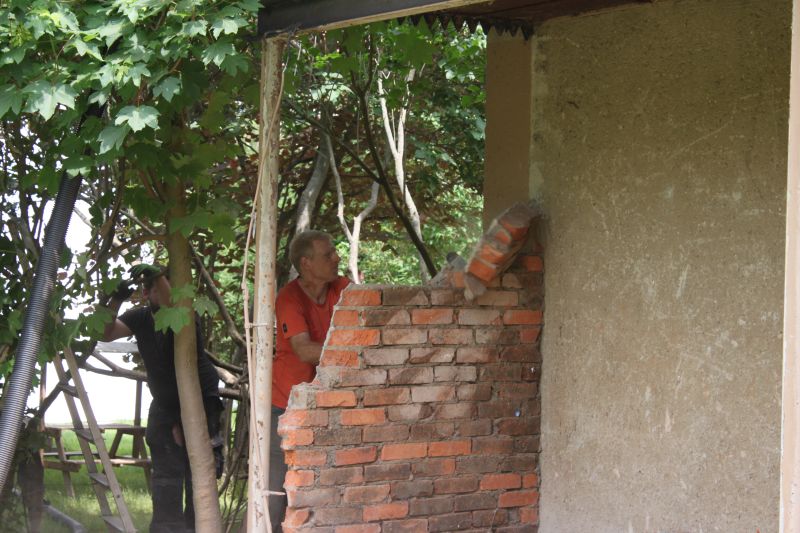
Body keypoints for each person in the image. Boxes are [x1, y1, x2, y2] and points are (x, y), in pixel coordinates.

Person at [103, 264, 223, 533]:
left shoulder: (184, 313)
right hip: (165, 403)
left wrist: (157, 275)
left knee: (200, 471)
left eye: (154, 286)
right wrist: (117, 299)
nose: (147, 292)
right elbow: (106, 333)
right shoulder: (140, 317)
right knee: (166, 474)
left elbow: (171, 305)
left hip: (200, 399)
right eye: (146, 288)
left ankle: (198, 527)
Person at [270, 231, 350, 531]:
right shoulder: (289, 298)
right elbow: (303, 350)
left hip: (325, 403)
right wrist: (352, 350)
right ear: (306, 263)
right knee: (276, 492)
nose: (336, 258)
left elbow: (371, 315)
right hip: (283, 405)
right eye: (328, 254)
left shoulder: (341, 287)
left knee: (321, 485)